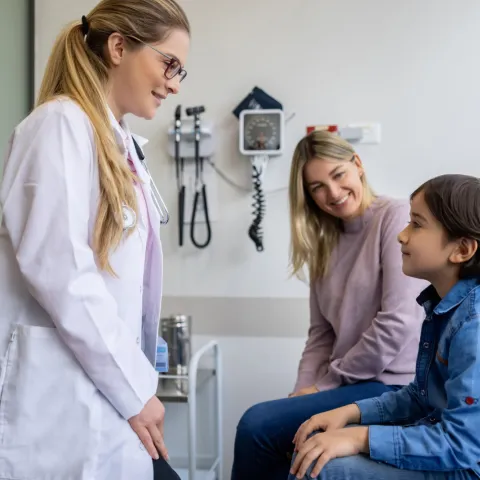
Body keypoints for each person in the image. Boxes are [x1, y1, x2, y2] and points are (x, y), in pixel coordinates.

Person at [0, 1, 189, 479]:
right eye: (169, 64)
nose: (174, 84)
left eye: (181, 71)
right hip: (63, 399)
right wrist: (134, 390)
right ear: (119, 47)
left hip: (107, 392)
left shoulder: (118, 143)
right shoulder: (58, 126)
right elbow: (60, 272)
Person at [231, 130, 427, 479]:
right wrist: (300, 393)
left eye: (338, 175)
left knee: (256, 425)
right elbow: (320, 335)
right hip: (348, 384)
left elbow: (397, 322)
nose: (332, 193)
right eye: (317, 187)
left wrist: (323, 386)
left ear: (358, 165)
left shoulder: (394, 217)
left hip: (392, 385)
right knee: (284, 435)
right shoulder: (324, 241)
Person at [289, 173, 480, 480]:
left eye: (416, 224)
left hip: (466, 467)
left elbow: (461, 445)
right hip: (448, 446)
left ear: (461, 250)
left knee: (321, 467)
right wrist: (350, 413)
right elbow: (420, 397)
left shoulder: (473, 327)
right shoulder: (443, 308)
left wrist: (358, 437)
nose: (402, 236)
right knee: (317, 445)